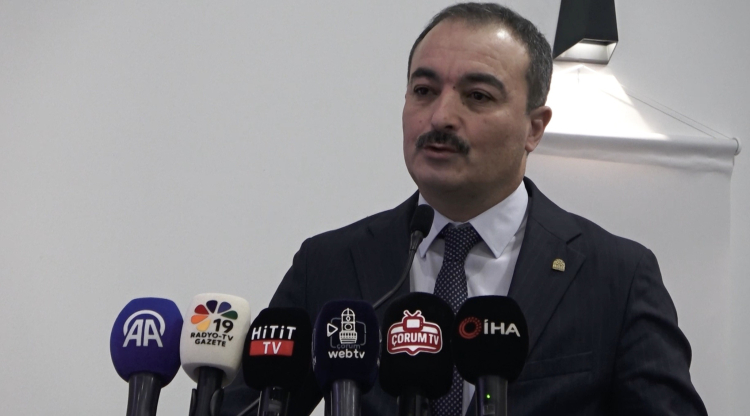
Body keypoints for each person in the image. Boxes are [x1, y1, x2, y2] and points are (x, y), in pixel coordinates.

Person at [222, 3, 707, 415]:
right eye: (424, 91)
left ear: (534, 128)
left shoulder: (617, 277)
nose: (440, 117)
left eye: (477, 96)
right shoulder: (328, 264)